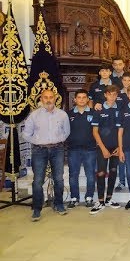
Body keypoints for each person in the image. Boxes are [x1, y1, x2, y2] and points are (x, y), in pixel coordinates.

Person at [23, 89, 70, 221]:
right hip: (39, 151)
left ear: (55, 99)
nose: (48, 100)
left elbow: (66, 132)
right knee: (38, 181)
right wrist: (38, 142)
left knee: (59, 179)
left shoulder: (62, 115)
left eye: (51, 97)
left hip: (57, 149)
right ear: (41, 99)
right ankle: (37, 209)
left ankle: (59, 204)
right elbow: (26, 134)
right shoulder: (34, 115)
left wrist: (57, 141)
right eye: (45, 97)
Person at [90, 85, 123, 214]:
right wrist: (103, 148)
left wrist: (120, 147)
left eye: (115, 94)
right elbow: (95, 132)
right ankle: (100, 201)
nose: (112, 97)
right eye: (110, 94)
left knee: (113, 171)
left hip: (115, 147)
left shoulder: (119, 110)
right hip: (102, 147)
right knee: (101, 173)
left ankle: (109, 199)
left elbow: (121, 131)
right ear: (105, 95)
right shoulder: (98, 109)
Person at [66, 89, 96, 209]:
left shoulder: (94, 113)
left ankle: (89, 197)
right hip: (73, 149)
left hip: (90, 149)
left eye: (84, 97)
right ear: (75, 99)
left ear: (88, 99)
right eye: (79, 97)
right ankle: (74, 198)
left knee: (90, 175)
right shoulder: (68, 114)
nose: (82, 99)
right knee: (73, 174)